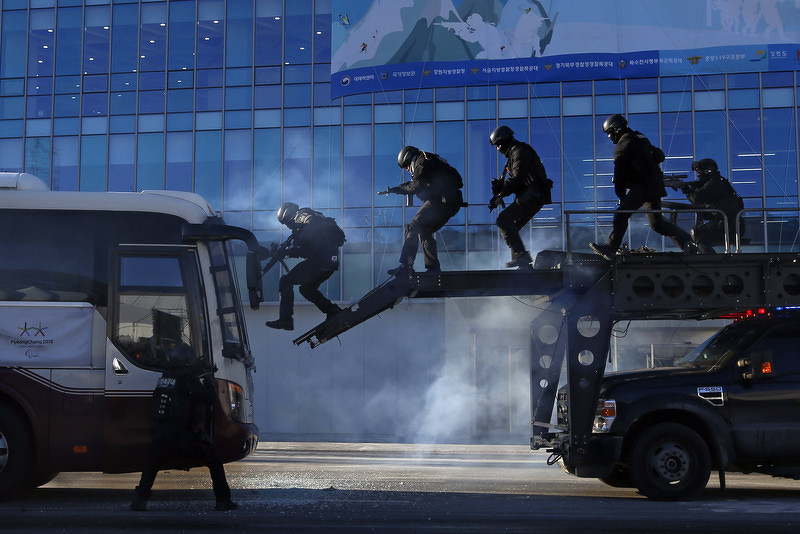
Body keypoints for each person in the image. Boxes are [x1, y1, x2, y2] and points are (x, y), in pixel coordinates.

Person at [131, 344, 237, 512]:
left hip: (160, 435)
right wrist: (209, 380)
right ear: (188, 362)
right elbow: (208, 398)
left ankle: (140, 500)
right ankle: (223, 500)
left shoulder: (166, 377)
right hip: (181, 436)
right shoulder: (187, 379)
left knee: (151, 464)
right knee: (214, 459)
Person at [590, 114, 694, 260]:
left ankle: (611, 248)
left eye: (610, 133)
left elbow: (619, 173)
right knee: (657, 223)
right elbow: (659, 156)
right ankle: (690, 244)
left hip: (642, 186)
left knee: (621, 215)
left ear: (616, 130)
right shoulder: (640, 137)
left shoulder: (623, 144)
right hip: (653, 186)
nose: (609, 137)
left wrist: (621, 195)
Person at [383, 146, 464, 274]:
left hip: (441, 201)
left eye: (407, 166)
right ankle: (433, 268)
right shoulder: (429, 160)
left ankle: (406, 266)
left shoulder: (422, 161)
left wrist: (398, 189)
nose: (408, 170)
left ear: (409, 159)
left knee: (412, 227)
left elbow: (417, 184)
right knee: (424, 231)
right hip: (450, 202)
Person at [265, 202, 345, 331]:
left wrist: (293, 246)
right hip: (328, 262)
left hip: (321, 261)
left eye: (286, 222)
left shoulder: (302, 215)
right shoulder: (308, 224)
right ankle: (334, 312)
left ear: (289, 214)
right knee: (307, 289)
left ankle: (285, 320)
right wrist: (290, 251)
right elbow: (309, 248)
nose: (289, 226)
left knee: (286, 281)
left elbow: (311, 228)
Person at [488, 125, 553, 270]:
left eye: (498, 144)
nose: (498, 148)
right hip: (531, 196)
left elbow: (517, 178)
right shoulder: (514, 154)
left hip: (532, 195)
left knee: (503, 220)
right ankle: (523, 263)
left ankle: (521, 258)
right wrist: (500, 191)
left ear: (504, 140)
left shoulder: (520, 151)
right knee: (510, 228)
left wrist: (501, 194)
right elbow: (516, 181)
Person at [679, 158, 745, 253]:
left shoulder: (716, 184)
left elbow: (698, 198)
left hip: (728, 225)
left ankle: (711, 260)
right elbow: (699, 199)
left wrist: (688, 190)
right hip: (726, 223)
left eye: (699, 172)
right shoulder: (718, 182)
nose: (698, 174)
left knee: (698, 232)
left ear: (707, 171)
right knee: (698, 235)